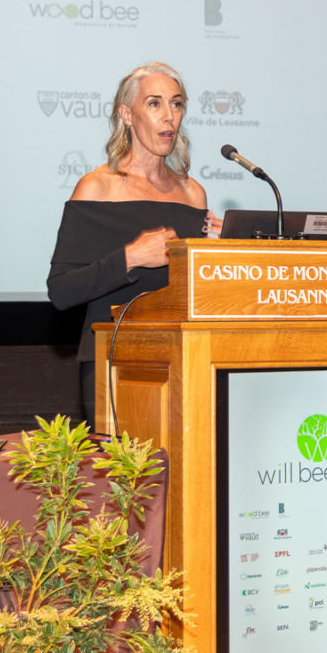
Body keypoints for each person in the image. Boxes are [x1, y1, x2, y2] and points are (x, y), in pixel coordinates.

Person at [47, 62, 221, 427]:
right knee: (124, 467)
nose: (169, 115)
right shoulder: (97, 188)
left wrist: (216, 256)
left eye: (176, 104)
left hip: (183, 359)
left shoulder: (193, 194)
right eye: (154, 103)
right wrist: (130, 257)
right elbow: (61, 291)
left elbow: (196, 293)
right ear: (127, 115)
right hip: (115, 363)